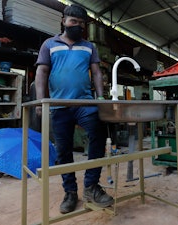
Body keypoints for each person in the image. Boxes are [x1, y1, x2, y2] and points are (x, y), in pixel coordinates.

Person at [35, 4, 114, 214]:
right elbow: (41, 73)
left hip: (85, 104)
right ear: (64, 21)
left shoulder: (89, 47)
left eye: (81, 24)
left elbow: (96, 73)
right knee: (63, 150)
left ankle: (91, 186)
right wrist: (41, 101)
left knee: (98, 132)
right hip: (59, 106)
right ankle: (70, 192)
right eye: (73, 22)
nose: (77, 26)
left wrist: (100, 98)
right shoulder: (49, 44)